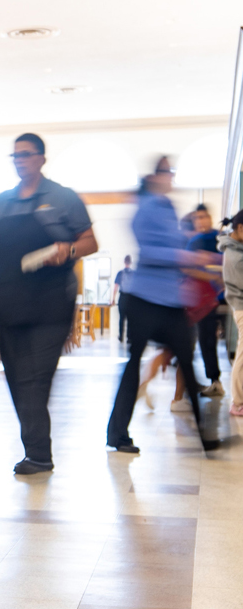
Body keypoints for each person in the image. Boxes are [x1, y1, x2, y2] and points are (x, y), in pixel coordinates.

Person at [0, 133, 97, 475]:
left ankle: (39, 454)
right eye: (15, 156)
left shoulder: (63, 198)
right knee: (16, 377)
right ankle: (35, 449)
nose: (20, 160)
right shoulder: (2, 202)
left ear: (41, 158)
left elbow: (90, 241)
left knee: (36, 378)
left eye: (26, 155)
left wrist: (67, 250)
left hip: (52, 301)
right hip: (10, 298)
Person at [105, 164, 222, 453]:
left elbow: (177, 244)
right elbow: (151, 250)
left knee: (186, 361)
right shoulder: (145, 207)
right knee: (134, 364)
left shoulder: (169, 207)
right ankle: (118, 435)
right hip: (144, 299)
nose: (172, 176)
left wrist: (199, 255)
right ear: (156, 176)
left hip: (170, 301)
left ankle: (206, 438)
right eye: (168, 171)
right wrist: (185, 255)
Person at [186, 203, 225, 396]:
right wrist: (211, 276)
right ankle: (215, 381)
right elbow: (187, 268)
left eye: (203, 217)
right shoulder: (194, 242)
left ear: (209, 217)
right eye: (197, 218)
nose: (200, 221)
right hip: (205, 301)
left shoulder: (221, 238)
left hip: (227, 297)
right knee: (206, 341)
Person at [219, 211, 243, 418]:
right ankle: (238, 403)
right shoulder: (235, 257)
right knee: (242, 358)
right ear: (241, 228)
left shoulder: (236, 249)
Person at [111, 255, 134, 343]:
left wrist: (113, 298)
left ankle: (121, 337)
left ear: (124, 262)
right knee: (130, 319)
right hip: (131, 298)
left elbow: (116, 287)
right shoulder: (133, 273)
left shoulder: (120, 273)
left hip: (122, 297)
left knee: (122, 318)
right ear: (130, 262)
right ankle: (129, 338)